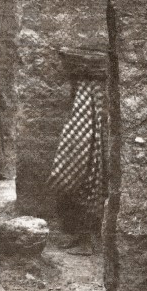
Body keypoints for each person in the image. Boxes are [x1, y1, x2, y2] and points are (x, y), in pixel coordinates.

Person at [46, 79, 107, 255]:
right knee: (76, 185)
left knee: (88, 185)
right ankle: (79, 237)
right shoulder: (84, 91)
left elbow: (86, 129)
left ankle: (86, 243)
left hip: (90, 149)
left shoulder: (90, 93)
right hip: (85, 147)